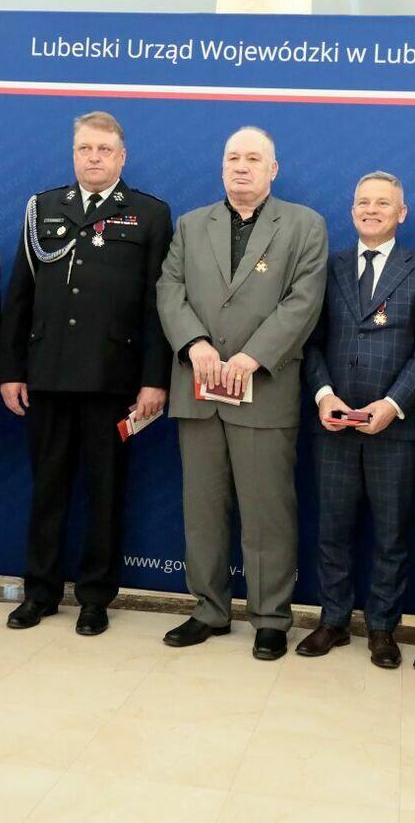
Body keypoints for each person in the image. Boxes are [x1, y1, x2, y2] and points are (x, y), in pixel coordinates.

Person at [156, 126, 327, 661]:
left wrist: (251, 357)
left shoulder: (304, 225)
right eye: (233, 158)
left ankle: (270, 617)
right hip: (199, 390)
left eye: (253, 159)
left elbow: (304, 301)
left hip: (264, 390)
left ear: (273, 169)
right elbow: (169, 288)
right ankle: (208, 609)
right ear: (222, 167)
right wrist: (195, 344)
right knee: (202, 510)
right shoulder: (190, 225)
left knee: (267, 513)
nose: (241, 167)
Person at [0, 111, 172, 635]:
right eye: (84, 149)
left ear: (122, 156)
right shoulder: (43, 207)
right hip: (47, 374)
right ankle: (40, 592)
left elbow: (158, 305)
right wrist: (11, 370)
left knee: (105, 491)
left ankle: (96, 597)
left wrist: (155, 378)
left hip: (111, 378)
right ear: (73, 154)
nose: (93, 158)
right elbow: (20, 295)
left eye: (103, 150)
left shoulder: (148, 214)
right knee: (47, 489)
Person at [298, 171, 415, 669]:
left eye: (383, 203)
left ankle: (382, 628)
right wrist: (323, 395)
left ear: (402, 213)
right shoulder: (329, 267)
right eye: (363, 202)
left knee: (391, 535)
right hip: (334, 425)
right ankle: (333, 621)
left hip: (395, 429)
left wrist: (394, 404)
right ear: (352, 210)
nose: (372, 210)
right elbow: (311, 342)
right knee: (332, 530)